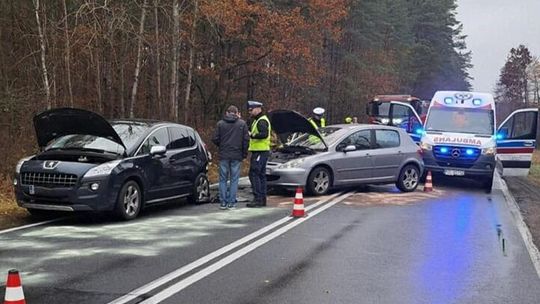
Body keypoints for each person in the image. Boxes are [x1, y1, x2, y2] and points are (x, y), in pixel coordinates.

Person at [212, 105, 249, 209]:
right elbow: (246, 140)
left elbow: (214, 138)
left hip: (224, 154)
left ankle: (223, 202)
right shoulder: (242, 124)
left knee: (223, 179)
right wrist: (244, 153)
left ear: (227, 113)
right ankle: (232, 203)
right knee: (234, 179)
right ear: (237, 113)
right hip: (236, 155)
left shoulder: (220, 124)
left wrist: (222, 145)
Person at [246, 100, 271, 208]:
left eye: (251, 110)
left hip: (260, 151)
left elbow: (264, 134)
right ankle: (262, 198)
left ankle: (258, 199)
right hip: (260, 151)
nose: (250, 112)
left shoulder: (262, 121)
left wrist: (252, 135)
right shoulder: (257, 120)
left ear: (258, 109)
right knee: (260, 175)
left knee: (254, 173)